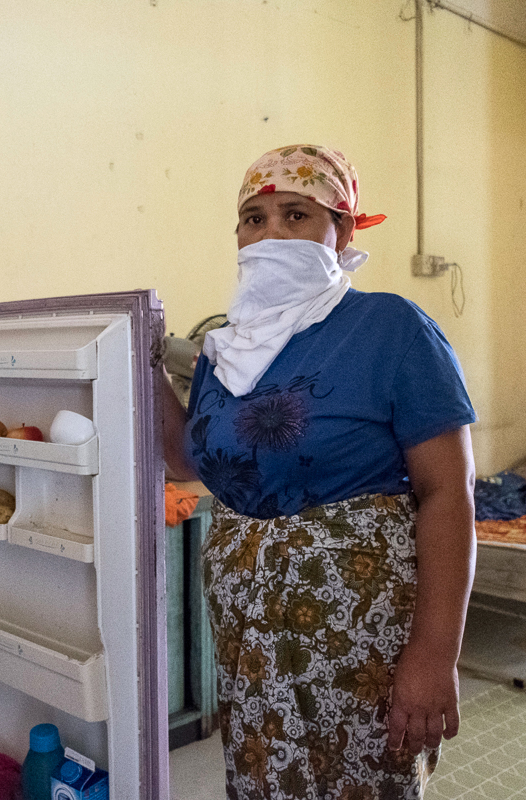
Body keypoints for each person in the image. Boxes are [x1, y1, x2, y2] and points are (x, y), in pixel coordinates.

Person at [160, 144, 477, 800]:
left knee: (362, 782)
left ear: (344, 229)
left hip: (359, 636)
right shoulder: (228, 349)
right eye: (253, 218)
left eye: (296, 214)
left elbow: (448, 493)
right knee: (262, 779)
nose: (269, 233)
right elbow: (190, 460)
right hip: (248, 632)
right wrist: (135, 361)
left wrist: (434, 653)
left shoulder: (391, 329)